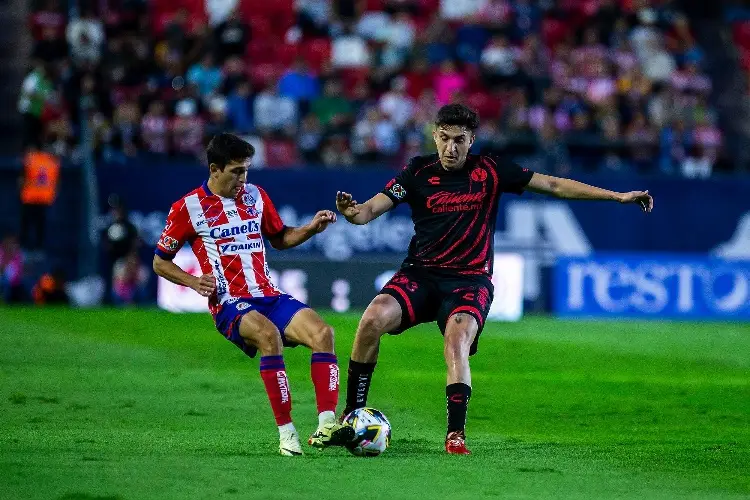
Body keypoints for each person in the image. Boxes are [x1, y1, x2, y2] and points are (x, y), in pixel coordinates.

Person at [331, 104, 654, 455]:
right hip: (421, 273)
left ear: (472, 140)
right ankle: (352, 414)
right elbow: (367, 212)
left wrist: (616, 196)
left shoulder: (491, 170)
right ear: (435, 137)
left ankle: (455, 435)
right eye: (444, 139)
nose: (451, 148)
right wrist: (352, 212)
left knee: (456, 341)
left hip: (469, 280)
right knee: (371, 319)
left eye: (459, 140)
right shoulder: (416, 171)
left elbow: (554, 184)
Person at [152, 133, 346, 456]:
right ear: (214, 169)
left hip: (269, 295)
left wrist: (310, 228)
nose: (244, 179)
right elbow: (160, 261)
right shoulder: (188, 208)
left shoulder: (256, 196)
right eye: (236, 171)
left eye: (246, 171)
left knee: (324, 333)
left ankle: (327, 425)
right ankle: (287, 434)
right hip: (230, 303)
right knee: (270, 337)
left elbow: (280, 237)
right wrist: (193, 281)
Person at [19, 145, 60, 253]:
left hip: (33, 197)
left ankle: (29, 247)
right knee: (38, 224)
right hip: (40, 198)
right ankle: (35, 248)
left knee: (31, 224)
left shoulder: (30, 158)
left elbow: (21, 178)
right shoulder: (53, 161)